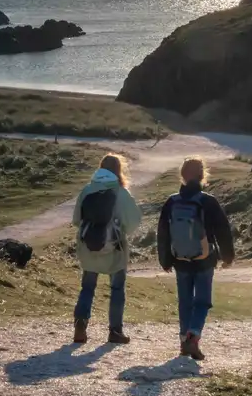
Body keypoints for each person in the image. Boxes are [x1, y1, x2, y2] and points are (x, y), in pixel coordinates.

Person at [156, 156, 234, 361]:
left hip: (180, 259)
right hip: (205, 259)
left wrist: (164, 259)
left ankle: (184, 342)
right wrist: (227, 257)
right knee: (202, 302)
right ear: (202, 175)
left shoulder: (172, 201)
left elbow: (163, 233)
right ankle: (193, 336)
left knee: (184, 301)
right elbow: (223, 231)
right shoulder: (208, 201)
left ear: (182, 175)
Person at [71, 152, 142, 345]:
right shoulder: (121, 192)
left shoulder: (87, 190)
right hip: (115, 248)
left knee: (87, 287)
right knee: (117, 288)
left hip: (89, 248)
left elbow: (77, 220)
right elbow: (134, 221)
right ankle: (115, 331)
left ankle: (80, 325)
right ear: (119, 171)